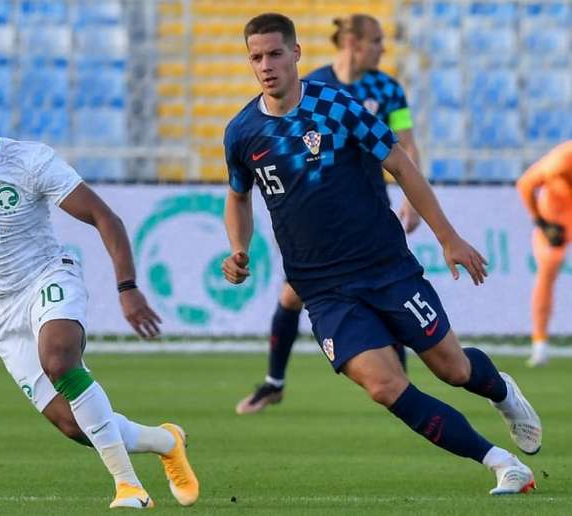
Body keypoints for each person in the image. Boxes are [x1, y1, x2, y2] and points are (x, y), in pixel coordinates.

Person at [222, 13, 541, 495]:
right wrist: (238, 247)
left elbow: (401, 164)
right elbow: (239, 196)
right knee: (386, 387)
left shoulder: (338, 105)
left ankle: (501, 391)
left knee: (452, 369)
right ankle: (501, 463)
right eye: (256, 57)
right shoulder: (242, 132)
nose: (265, 65)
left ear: (296, 53)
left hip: (385, 268)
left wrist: (448, 236)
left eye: (274, 54)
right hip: (323, 290)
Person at [0, 77, 198, 509]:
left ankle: (129, 488)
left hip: (47, 278)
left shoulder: (30, 162)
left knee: (59, 360)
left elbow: (104, 217)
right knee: (75, 426)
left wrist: (127, 287)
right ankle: (165, 441)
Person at [236, 14, 424, 415]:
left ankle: (397, 384)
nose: (383, 49)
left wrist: (412, 199)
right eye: (376, 40)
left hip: (371, 212)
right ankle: (275, 381)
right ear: (353, 42)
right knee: (292, 296)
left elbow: (406, 141)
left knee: (382, 289)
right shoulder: (316, 85)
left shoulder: (388, 89)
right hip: (321, 221)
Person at [516, 141, 572, 367]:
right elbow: (526, 184)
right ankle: (540, 345)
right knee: (547, 272)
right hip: (555, 220)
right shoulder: (561, 160)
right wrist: (541, 222)